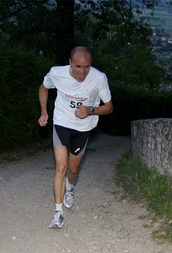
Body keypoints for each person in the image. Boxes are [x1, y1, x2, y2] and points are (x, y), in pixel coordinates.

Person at [38, 46, 113, 229]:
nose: (82, 72)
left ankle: (69, 187)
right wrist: (44, 111)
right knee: (61, 166)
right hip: (62, 122)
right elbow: (43, 88)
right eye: (78, 66)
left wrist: (90, 110)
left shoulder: (99, 78)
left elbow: (109, 107)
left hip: (83, 127)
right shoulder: (57, 73)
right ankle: (57, 213)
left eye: (86, 67)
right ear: (70, 62)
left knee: (73, 168)